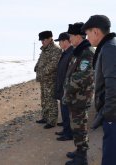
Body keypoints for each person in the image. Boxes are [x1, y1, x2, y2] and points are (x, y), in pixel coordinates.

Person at [82, 15, 116, 165]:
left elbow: (113, 86)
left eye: (88, 34)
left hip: (113, 117)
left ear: (95, 31)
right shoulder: (108, 46)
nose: (87, 38)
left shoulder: (109, 49)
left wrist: (108, 115)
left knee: (110, 156)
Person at [63, 22, 95, 165]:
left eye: (71, 35)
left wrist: (68, 89)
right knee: (77, 126)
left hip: (80, 97)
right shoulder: (79, 51)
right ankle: (79, 150)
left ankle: (82, 158)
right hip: (75, 97)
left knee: (80, 127)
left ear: (78, 36)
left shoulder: (87, 52)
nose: (69, 38)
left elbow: (83, 76)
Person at [35, 30, 62, 129]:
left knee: (51, 100)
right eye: (41, 40)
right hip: (43, 79)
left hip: (50, 80)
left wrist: (42, 72)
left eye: (43, 40)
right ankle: (45, 117)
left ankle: (52, 121)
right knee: (44, 99)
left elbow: (53, 65)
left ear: (50, 38)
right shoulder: (44, 49)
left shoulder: (55, 49)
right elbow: (41, 60)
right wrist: (36, 66)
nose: (42, 42)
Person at [54, 32, 73, 141]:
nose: (59, 44)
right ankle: (66, 130)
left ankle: (68, 133)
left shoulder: (71, 53)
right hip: (62, 88)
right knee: (64, 111)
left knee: (66, 111)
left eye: (60, 41)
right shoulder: (65, 53)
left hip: (66, 89)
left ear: (66, 41)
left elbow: (69, 74)